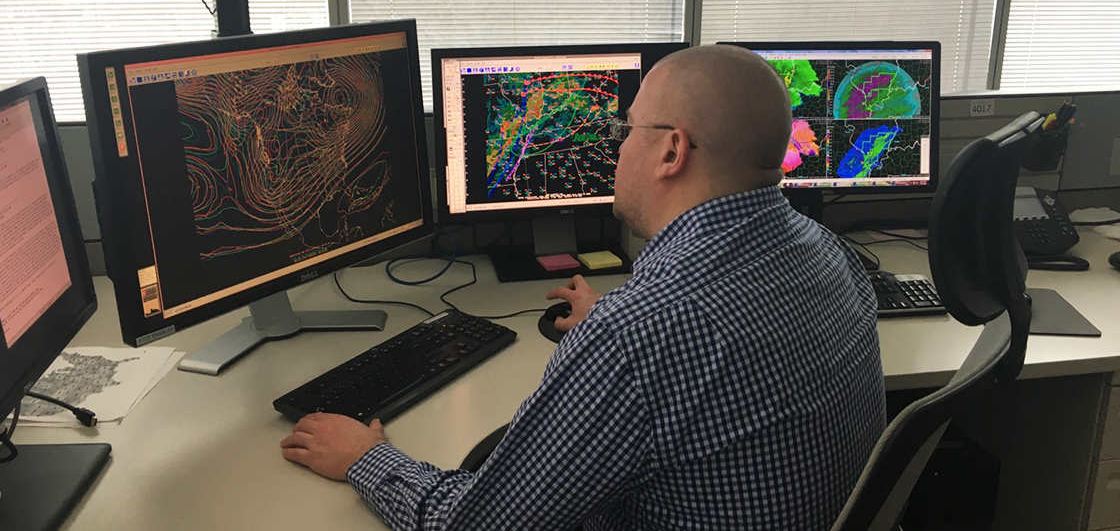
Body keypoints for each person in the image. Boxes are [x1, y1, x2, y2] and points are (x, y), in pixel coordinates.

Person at [281, 45, 886, 531]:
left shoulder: (641, 333)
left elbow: (475, 523)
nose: (619, 147)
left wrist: (366, 459)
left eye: (628, 130)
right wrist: (616, 328)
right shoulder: (826, 253)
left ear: (671, 149)